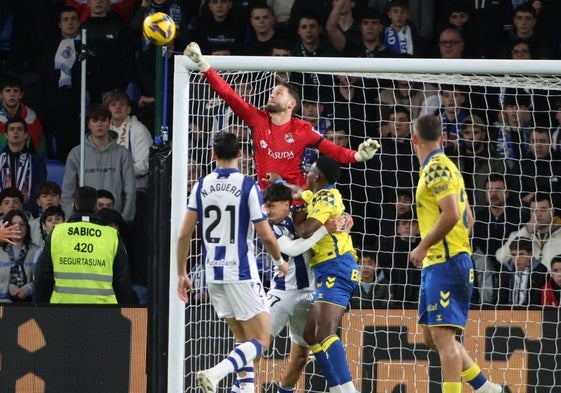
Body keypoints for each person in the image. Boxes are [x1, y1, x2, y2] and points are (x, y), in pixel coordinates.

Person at [183, 41, 380, 191]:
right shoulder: (257, 119)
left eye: (278, 93)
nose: (272, 94)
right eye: (272, 91)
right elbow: (228, 94)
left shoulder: (302, 129)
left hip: (296, 201)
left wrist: (358, 155)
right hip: (264, 200)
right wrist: (203, 64)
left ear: (291, 104)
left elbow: (334, 151)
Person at [176, 132, 286, 393]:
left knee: (244, 342)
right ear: (240, 154)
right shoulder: (247, 185)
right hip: (241, 272)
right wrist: (279, 260)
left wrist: (182, 272)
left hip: (212, 274)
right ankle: (216, 373)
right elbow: (265, 234)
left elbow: (183, 234)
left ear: (213, 155)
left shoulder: (200, 185)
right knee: (261, 339)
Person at [409, 114, 505, 393]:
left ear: (415, 139)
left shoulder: (437, 168)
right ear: (441, 138)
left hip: (446, 263)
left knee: (443, 338)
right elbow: (469, 218)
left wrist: (425, 244)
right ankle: (485, 387)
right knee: (431, 336)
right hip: (440, 262)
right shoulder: (446, 167)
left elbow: (452, 214)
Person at [262, 182, 340, 393]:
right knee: (257, 345)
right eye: (265, 206)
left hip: (309, 294)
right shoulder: (270, 227)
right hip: (282, 293)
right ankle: (238, 386)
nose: (267, 211)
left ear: (287, 204)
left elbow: (328, 209)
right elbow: (292, 249)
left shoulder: (301, 215)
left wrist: (344, 217)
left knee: (300, 357)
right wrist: (324, 230)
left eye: (271, 206)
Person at [293, 155, 360, 393]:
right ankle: (336, 388)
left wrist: (295, 211)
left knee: (324, 332)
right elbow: (302, 194)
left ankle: (348, 389)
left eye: (310, 171)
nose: (307, 174)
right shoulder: (321, 195)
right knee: (311, 334)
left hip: (337, 266)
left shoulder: (326, 199)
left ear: (317, 176)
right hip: (329, 268)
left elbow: (304, 231)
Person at [34, 186, 132, 304]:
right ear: (96, 206)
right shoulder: (111, 235)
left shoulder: (57, 232)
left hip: (62, 310)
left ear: (74, 205)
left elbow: (43, 278)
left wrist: (41, 310)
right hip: (104, 311)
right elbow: (122, 281)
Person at [61, 104, 136, 223]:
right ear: (89, 124)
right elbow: (67, 191)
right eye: (95, 120)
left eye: (103, 120)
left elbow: (130, 190)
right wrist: (71, 218)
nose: (99, 124)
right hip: (84, 221)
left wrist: (124, 219)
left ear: (110, 122)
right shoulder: (76, 153)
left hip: (114, 221)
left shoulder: (123, 154)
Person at [79, 0, 135, 104]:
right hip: (86, 92)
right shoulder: (81, 28)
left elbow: (129, 60)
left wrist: (118, 89)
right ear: (88, 3)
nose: (99, 1)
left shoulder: (119, 28)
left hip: (112, 93)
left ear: (109, 3)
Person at [495, 193, 561, 272]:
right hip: (527, 282)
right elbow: (501, 258)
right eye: (534, 210)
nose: (538, 215)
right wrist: (525, 231)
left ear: (552, 211)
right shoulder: (519, 234)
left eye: (543, 210)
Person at [0, 117, 47, 216]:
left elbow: (38, 190)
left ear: (26, 135)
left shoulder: (36, 161)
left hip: (28, 214)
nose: (15, 132)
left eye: (19, 129)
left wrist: (23, 211)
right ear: (6, 135)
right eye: (12, 129)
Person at [0, 72, 47, 157]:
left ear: (21, 95)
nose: (12, 94)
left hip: (28, 164)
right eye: (7, 91)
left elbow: (39, 150)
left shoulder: (31, 117)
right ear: (1, 95)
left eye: (15, 91)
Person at [0, 209, 38, 302]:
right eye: (13, 224)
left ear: (27, 227)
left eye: (22, 224)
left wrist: (29, 288)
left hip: (31, 303)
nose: (18, 228)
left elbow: (43, 278)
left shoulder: (37, 251)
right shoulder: (0, 251)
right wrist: (9, 288)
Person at [497, 236, 548, 306]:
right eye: (513, 255)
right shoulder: (506, 271)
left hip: (532, 312)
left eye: (521, 254)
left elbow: (536, 299)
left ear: (530, 255)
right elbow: (501, 298)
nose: (517, 259)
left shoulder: (540, 271)